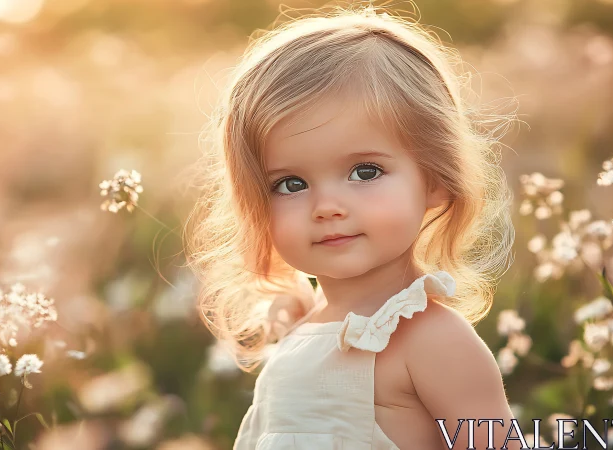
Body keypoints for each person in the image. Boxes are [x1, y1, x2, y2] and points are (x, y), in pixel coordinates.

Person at [184, 3, 519, 449]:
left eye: (365, 172)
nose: (326, 206)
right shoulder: (304, 331)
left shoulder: (430, 340)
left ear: (436, 180)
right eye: (291, 183)